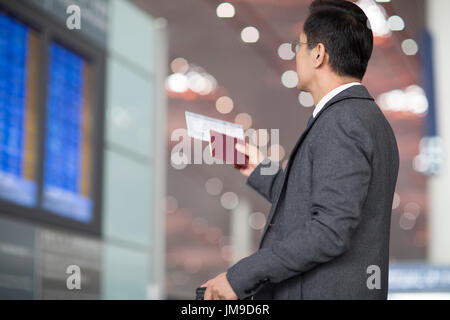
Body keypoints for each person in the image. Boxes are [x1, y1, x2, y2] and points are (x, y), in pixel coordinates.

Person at [201, 0, 399, 300]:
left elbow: (330, 229)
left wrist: (241, 276)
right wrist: (258, 168)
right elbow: (316, 199)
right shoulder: (364, 119)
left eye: (299, 45)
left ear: (318, 54)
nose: (296, 55)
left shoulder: (342, 122)